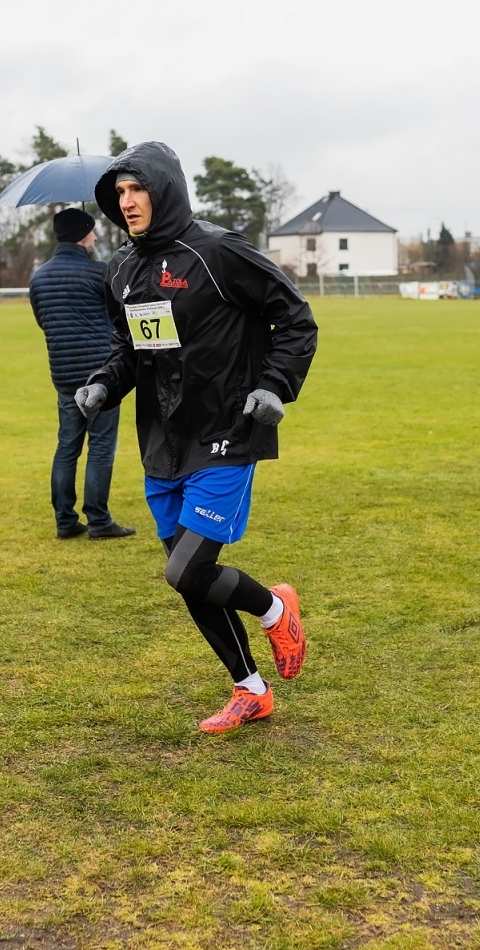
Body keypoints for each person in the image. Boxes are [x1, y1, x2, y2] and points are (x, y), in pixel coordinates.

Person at [75, 142, 319, 733]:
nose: (126, 202)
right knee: (191, 580)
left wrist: (274, 386)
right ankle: (250, 689)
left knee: (185, 571)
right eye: (119, 193)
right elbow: (131, 351)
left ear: (164, 190)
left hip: (226, 433)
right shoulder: (123, 272)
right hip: (163, 442)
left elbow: (295, 319)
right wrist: (106, 383)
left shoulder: (216, 252)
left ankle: (275, 608)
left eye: (137, 189)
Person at [28, 208, 136, 541]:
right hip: (100, 375)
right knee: (101, 447)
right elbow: (118, 317)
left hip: (63, 373)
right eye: (92, 232)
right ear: (84, 235)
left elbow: (42, 320)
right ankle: (99, 521)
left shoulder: (38, 277)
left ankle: (65, 520)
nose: (95, 237)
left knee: (67, 447)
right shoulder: (99, 272)